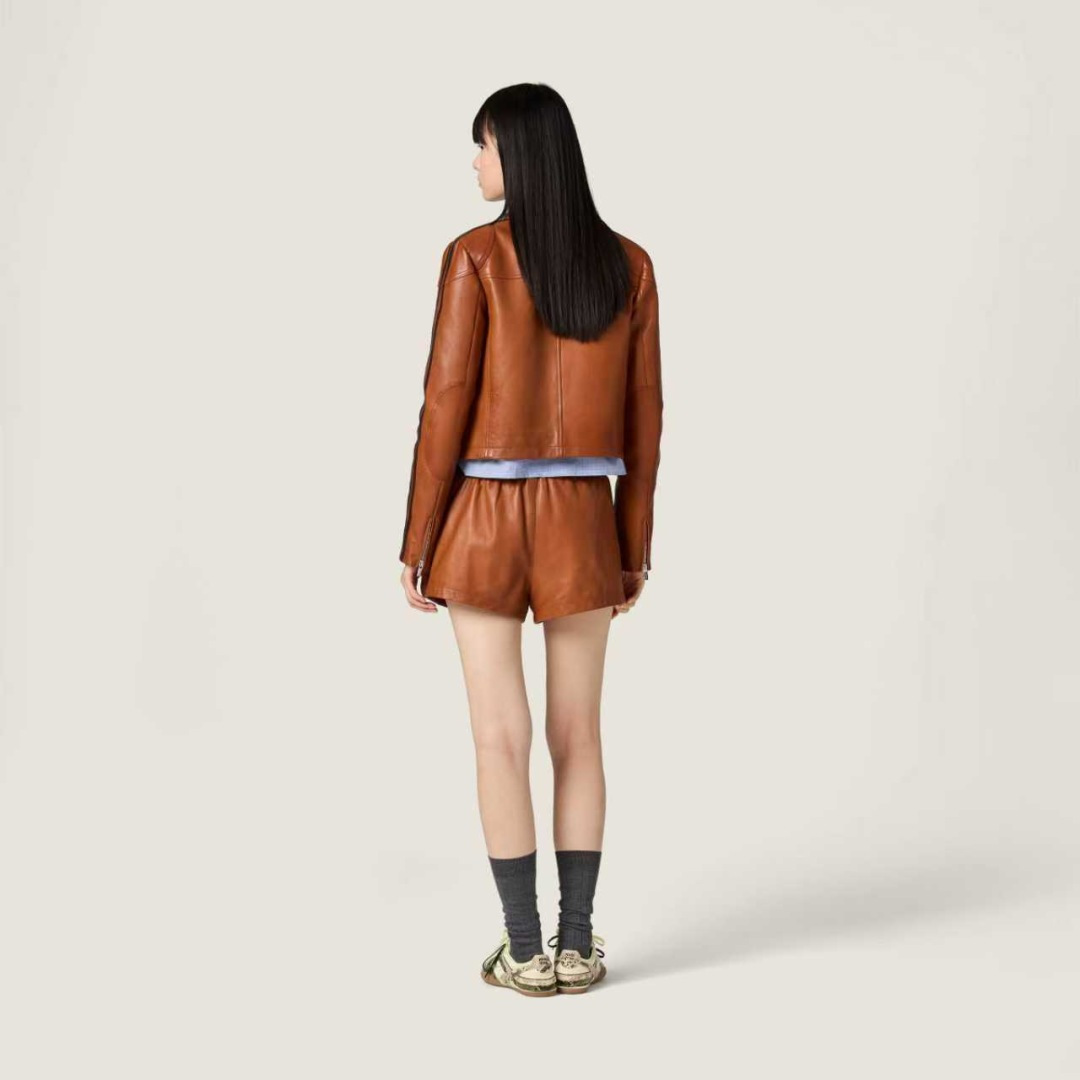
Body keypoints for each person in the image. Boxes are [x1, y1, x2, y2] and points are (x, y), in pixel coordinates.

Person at [398, 82, 663, 996]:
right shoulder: (629, 266)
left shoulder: (473, 256)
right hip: (583, 517)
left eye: (481, 146)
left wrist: (417, 540)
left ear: (514, 152)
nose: (475, 163)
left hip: (480, 515)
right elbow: (645, 420)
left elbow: (444, 404)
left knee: (498, 737)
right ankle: (577, 944)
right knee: (577, 734)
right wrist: (632, 548)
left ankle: (523, 951)